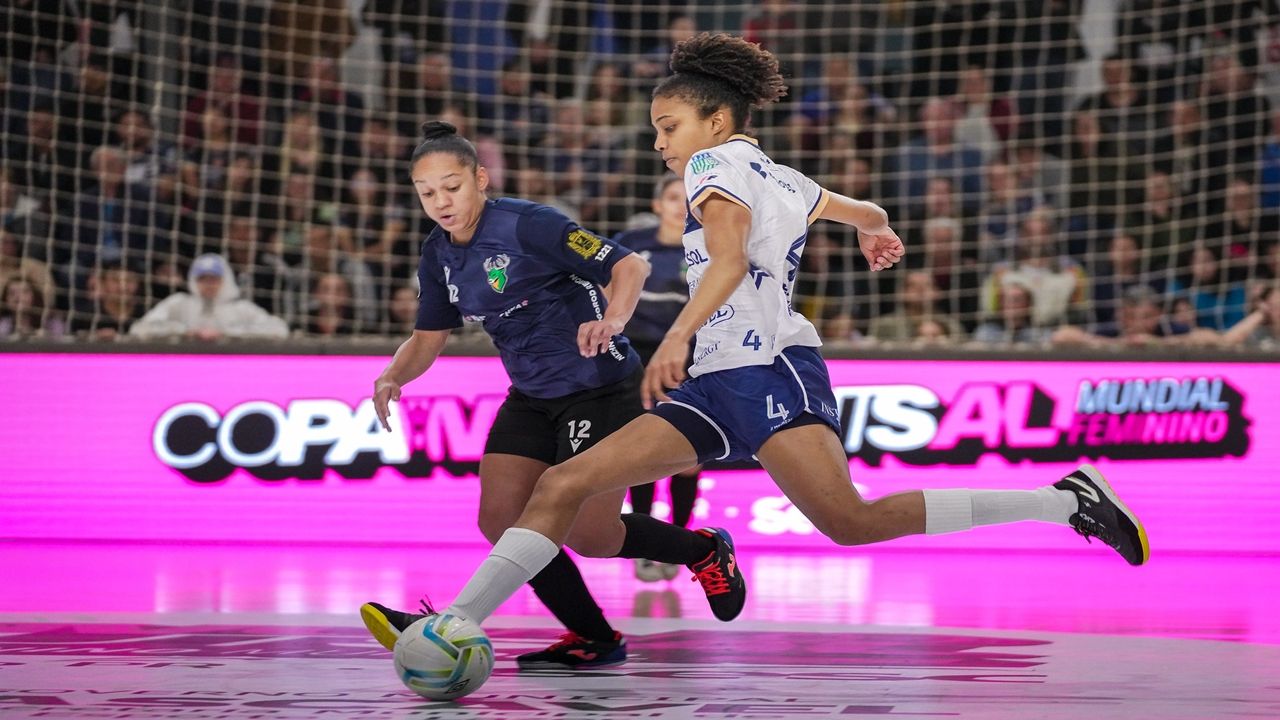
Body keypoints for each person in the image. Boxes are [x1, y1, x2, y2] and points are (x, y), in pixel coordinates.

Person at [363, 34, 1149, 652]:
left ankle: (1063, 501)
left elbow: (731, 260)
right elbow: (863, 209)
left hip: (767, 368)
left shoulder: (712, 166)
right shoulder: (781, 175)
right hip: (714, 384)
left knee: (850, 521)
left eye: (667, 126)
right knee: (562, 487)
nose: (660, 143)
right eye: (656, 130)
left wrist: (675, 336)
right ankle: (456, 624)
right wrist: (875, 232)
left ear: (714, 121)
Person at [358, 121, 743, 669]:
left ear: (480, 179)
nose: (441, 202)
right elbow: (427, 338)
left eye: (452, 186)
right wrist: (393, 375)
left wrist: (613, 319)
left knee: (591, 535)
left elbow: (628, 264)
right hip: (531, 396)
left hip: (600, 388)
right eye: (427, 193)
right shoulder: (438, 252)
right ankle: (594, 637)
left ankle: (703, 550)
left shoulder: (529, 224)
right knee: (500, 521)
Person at [612, 175, 702, 582]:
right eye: (672, 197)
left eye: (689, 198)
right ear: (657, 204)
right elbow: (604, 285)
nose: (681, 205)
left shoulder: (709, 247)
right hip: (634, 355)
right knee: (641, 453)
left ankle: (678, 544)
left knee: (689, 456)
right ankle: (646, 547)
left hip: (688, 356)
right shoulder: (633, 242)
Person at [130, 254, 289, 341]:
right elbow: (139, 328)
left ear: (225, 280)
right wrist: (184, 331)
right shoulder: (178, 303)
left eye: (214, 279)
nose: (208, 284)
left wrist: (227, 333)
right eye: (203, 279)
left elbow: (279, 330)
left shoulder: (241, 308)